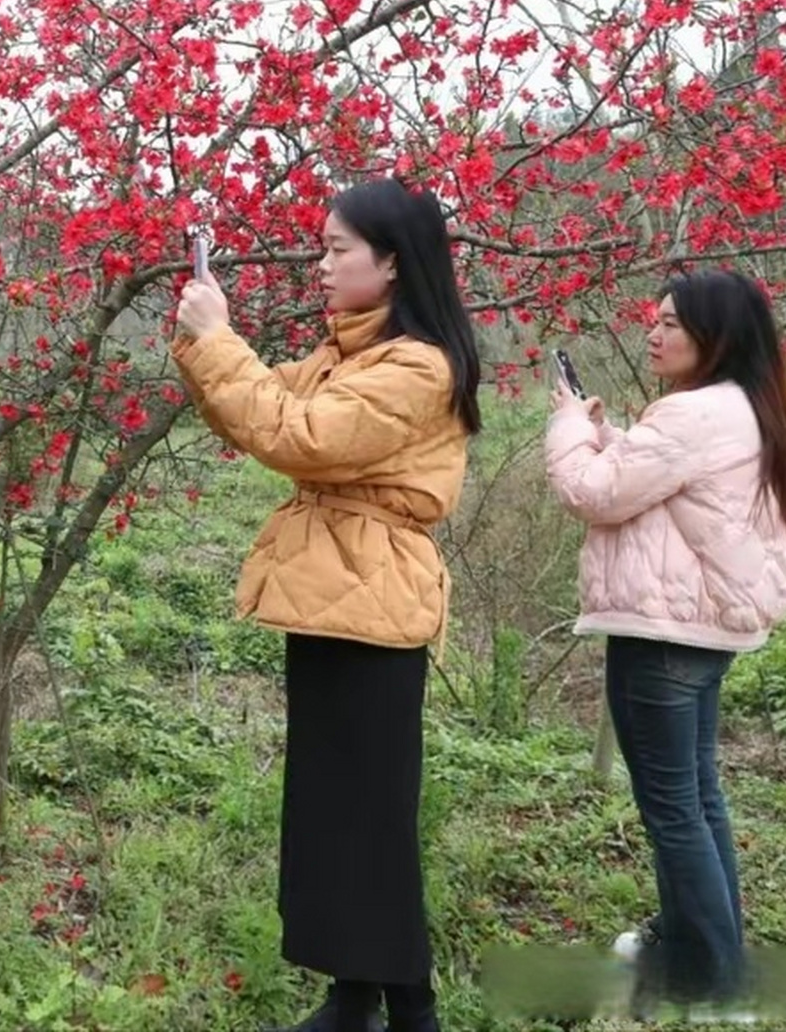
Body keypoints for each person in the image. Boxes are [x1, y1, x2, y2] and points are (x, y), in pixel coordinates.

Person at [172, 180, 482, 1032]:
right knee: (330, 809)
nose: (320, 264)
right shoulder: (349, 354)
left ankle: (410, 1005)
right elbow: (260, 407)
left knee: (370, 814)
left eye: (337, 248)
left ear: (390, 262)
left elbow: (297, 436)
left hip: (375, 599)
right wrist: (209, 345)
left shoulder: (415, 365)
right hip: (330, 594)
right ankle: (352, 996)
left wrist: (219, 339)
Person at [544, 269, 786, 1016]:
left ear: (714, 337)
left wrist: (567, 423)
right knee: (697, 797)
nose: (653, 333)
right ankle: (701, 953)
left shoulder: (691, 414)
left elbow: (593, 494)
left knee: (673, 807)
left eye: (672, 325)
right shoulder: (744, 408)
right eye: (653, 320)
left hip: (661, 637)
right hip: (702, 632)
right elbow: (661, 482)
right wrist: (606, 437)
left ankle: (714, 981)